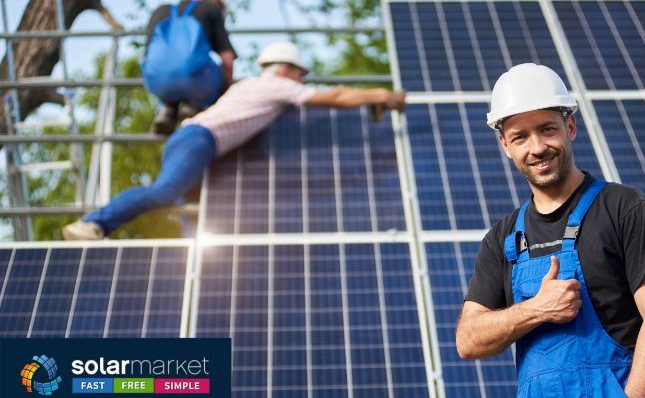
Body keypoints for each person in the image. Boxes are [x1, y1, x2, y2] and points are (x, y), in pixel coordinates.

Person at [455, 63, 645, 398]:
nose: (537, 147)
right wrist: (536, 309)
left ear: (570, 127)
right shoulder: (503, 237)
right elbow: (468, 340)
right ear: (505, 146)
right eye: (520, 137)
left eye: (547, 129)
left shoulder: (624, 208)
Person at [62, 41, 405, 240]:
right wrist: (378, 94)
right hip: (199, 141)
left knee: (195, 217)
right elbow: (335, 97)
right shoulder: (274, 84)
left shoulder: (252, 87)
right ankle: (95, 223)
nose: (301, 80)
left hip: (196, 142)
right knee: (164, 192)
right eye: (300, 73)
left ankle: (192, 267)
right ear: (285, 68)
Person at [142, 0, 237, 134]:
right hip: (197, 82)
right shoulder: (210, 9)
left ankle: (167, 108)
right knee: (212, 70)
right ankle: (194, 104)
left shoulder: (160, 11)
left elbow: (148, 58)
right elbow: (227, 59)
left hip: (157, 84)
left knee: (166, 69)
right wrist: (225, 95)